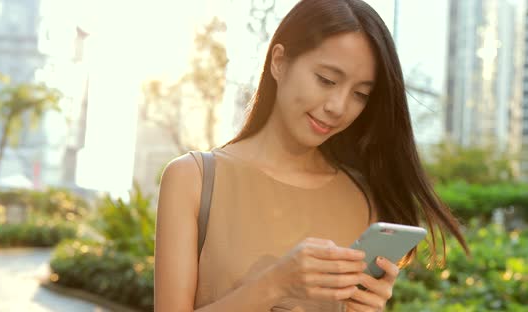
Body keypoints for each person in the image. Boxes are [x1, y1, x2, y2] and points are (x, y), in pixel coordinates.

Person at [154, 0, 468, 311]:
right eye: (327, 80)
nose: (338, 106)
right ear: (279, 61)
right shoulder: (193, 179)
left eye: (360, 95)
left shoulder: (364, 199)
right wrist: (276, 285)